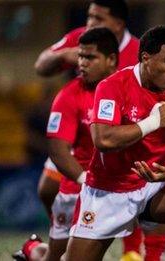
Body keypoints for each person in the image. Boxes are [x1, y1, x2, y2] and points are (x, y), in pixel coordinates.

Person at [64, 26, 165, 261]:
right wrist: (151, 123)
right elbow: (103, 139)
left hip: (152, 187)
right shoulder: (113, 86)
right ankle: (33, 251)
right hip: (108, 190)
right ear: (146, 58)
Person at [13, 27, 119, 261]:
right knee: (58, 256)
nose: (82, 63)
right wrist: (85, 182)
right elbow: (58, 150)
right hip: (78, 189)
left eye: (89, 57)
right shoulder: (68, 95)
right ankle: (34, 250)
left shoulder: (128, 86)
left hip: (119, 186)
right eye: (80, 56)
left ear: (111, 60)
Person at [34, 0, 138, 77]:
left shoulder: (139, 52)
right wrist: (64, 55)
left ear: (118, 24)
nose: (91, 23)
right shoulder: (80, 36)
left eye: (98, 18)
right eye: (90, 16)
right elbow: (40, 67)